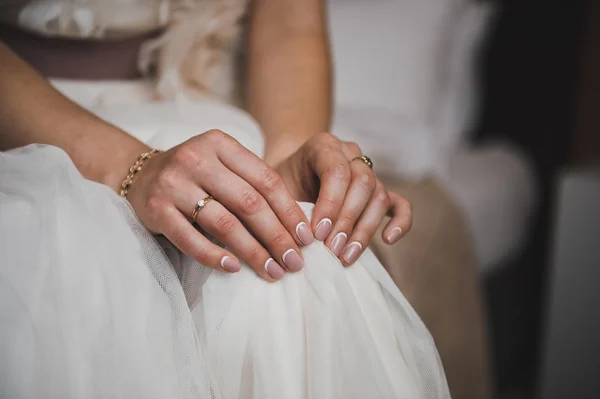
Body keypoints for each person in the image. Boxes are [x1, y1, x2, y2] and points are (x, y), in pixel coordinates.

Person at [0, 1, 484, 398]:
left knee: (296, 268)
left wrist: (290, 156)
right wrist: (131, 167)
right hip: (21, 126)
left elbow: (290, 23)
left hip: (192, 107)